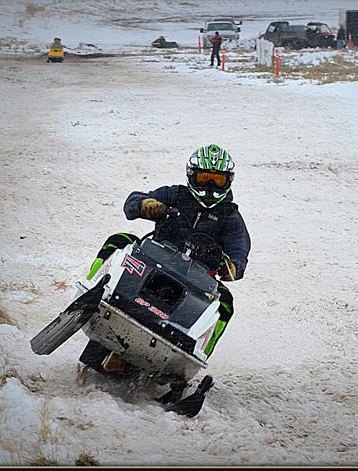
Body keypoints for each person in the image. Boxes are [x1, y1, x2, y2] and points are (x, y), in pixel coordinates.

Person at [87, 144, 251, 358]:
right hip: (151, 262)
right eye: (204, 178)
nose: (210, 185)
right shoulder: (175, 194)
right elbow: (131, 202)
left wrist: (230, 266)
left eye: (217, 180)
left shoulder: (230, 217)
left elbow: (239, 255)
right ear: (192, 176)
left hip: (196, 283)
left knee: (225, 302)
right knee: (119, 240)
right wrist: (146, 205)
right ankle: (92, 289)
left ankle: (197, 353)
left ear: (228, 181)